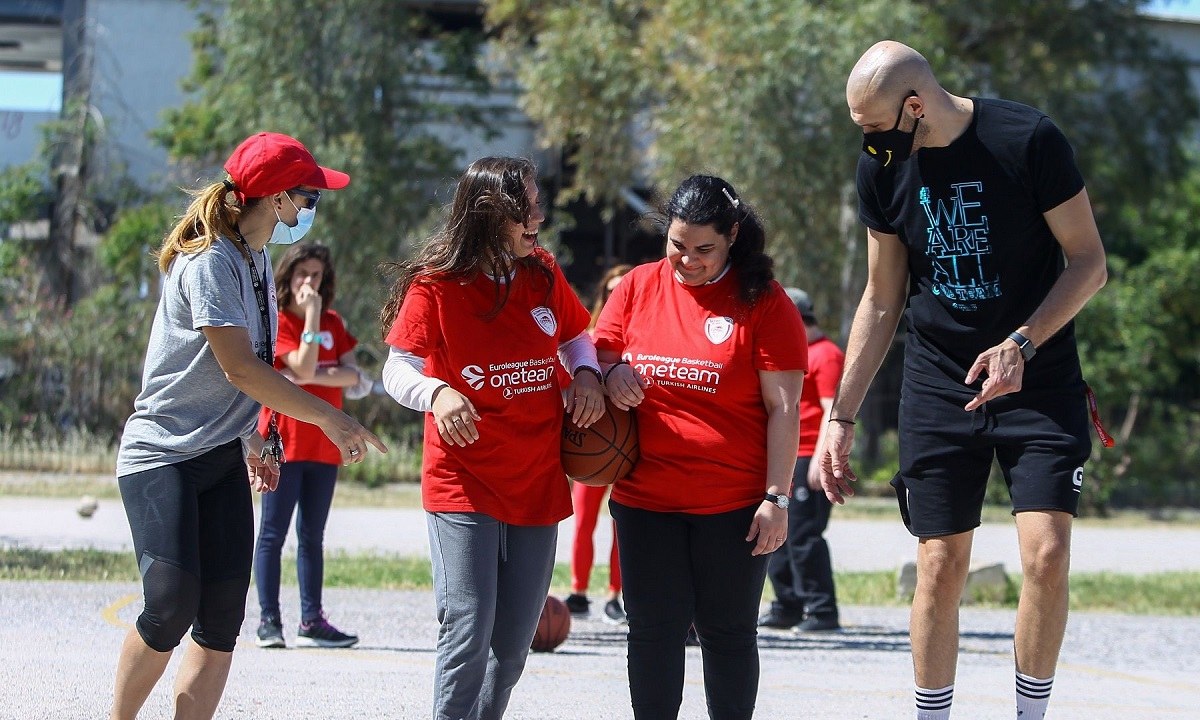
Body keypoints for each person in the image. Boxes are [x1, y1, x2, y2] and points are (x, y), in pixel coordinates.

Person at [827, 41, 1108, 720]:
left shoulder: (1027, 140)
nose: (868, 145)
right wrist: (841, 416)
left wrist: (1021, 343)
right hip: (938, 378)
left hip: (1035, 378)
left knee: (1046, 555)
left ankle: (1029, 714)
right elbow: (882, 296)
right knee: (938, 563)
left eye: (873, 127)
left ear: (916, 105)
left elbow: (1088, 263)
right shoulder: (882, 172)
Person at [111, 131, 386, 720]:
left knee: (219, 623)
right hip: (163, 455)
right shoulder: (210, 260)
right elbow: (239, 368)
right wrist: (333, 418)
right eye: (308, 197)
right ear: (278, 198)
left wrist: (253, 437)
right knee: (169, 603)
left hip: (220, 457)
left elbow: (241, 373)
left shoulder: (257, 261)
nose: (311, 209)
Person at [379, 156, 606, 720]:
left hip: (536, 475)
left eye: (536, 203)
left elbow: (578, 339)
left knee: (510, 647)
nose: (539, 215)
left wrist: (585, 374)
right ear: (487, 213)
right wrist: (436, 393)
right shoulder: (438, 284)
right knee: (468, 624)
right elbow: (396, 367)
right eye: (524, 207)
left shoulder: (542, 271)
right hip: (464, 480)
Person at [597, 175, 808, 720]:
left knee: (728, 633)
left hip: (733, 506)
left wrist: (776, 498)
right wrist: (611, 369)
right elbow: (592, 353)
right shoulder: (639, 286)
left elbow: (785, 408)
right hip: (645, 499)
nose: (687, 261)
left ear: (733, 236)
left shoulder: (764, 300)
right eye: (677, 245)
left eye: (704, 249)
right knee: (651, 633)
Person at [254, 243, 365, 650]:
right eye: (302, 274)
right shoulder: (279, 321)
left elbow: (352, 376)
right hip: (283, 441)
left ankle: (312, 619)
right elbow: (300, 366)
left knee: (312, 535)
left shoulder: (334, 322)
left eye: (316, 276)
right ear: (288, 276)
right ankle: (269, 620)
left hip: (324, 445)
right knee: (272, 533)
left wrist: (314, 370)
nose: (309, 283)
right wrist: (315, 357)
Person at [759, 288, 844, 633]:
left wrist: (821, 458)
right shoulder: (792, 351)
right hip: (786, 453)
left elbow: (831, 411)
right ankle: (788, 604)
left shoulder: (826, 355)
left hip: (809, 452)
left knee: (804, 536)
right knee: (776, 532)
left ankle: (822, 610)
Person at [564, 262, 634, 624]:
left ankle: (615, 594)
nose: (614, 297)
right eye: (610, 291)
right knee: (583, 520)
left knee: (621, 523)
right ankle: (578, 591)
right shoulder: (583, 336)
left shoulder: (639, 335)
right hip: (589, 438)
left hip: (625, 443)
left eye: (622, 291)